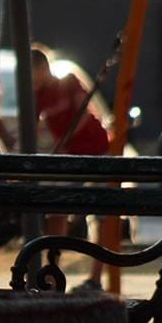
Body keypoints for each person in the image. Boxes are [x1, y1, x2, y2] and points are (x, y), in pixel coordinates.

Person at [30, 44, 111, 292]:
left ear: (43, 68)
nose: (30, 79)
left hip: (97, 151)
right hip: (68, 157)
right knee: (57, 209)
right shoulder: (37, 95)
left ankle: (95, 278)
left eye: (32, 72)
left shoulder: (69, 82)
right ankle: (52, 272)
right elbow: (33, 127)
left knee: (103, 213)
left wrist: (66, 139)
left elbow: (84, 113)